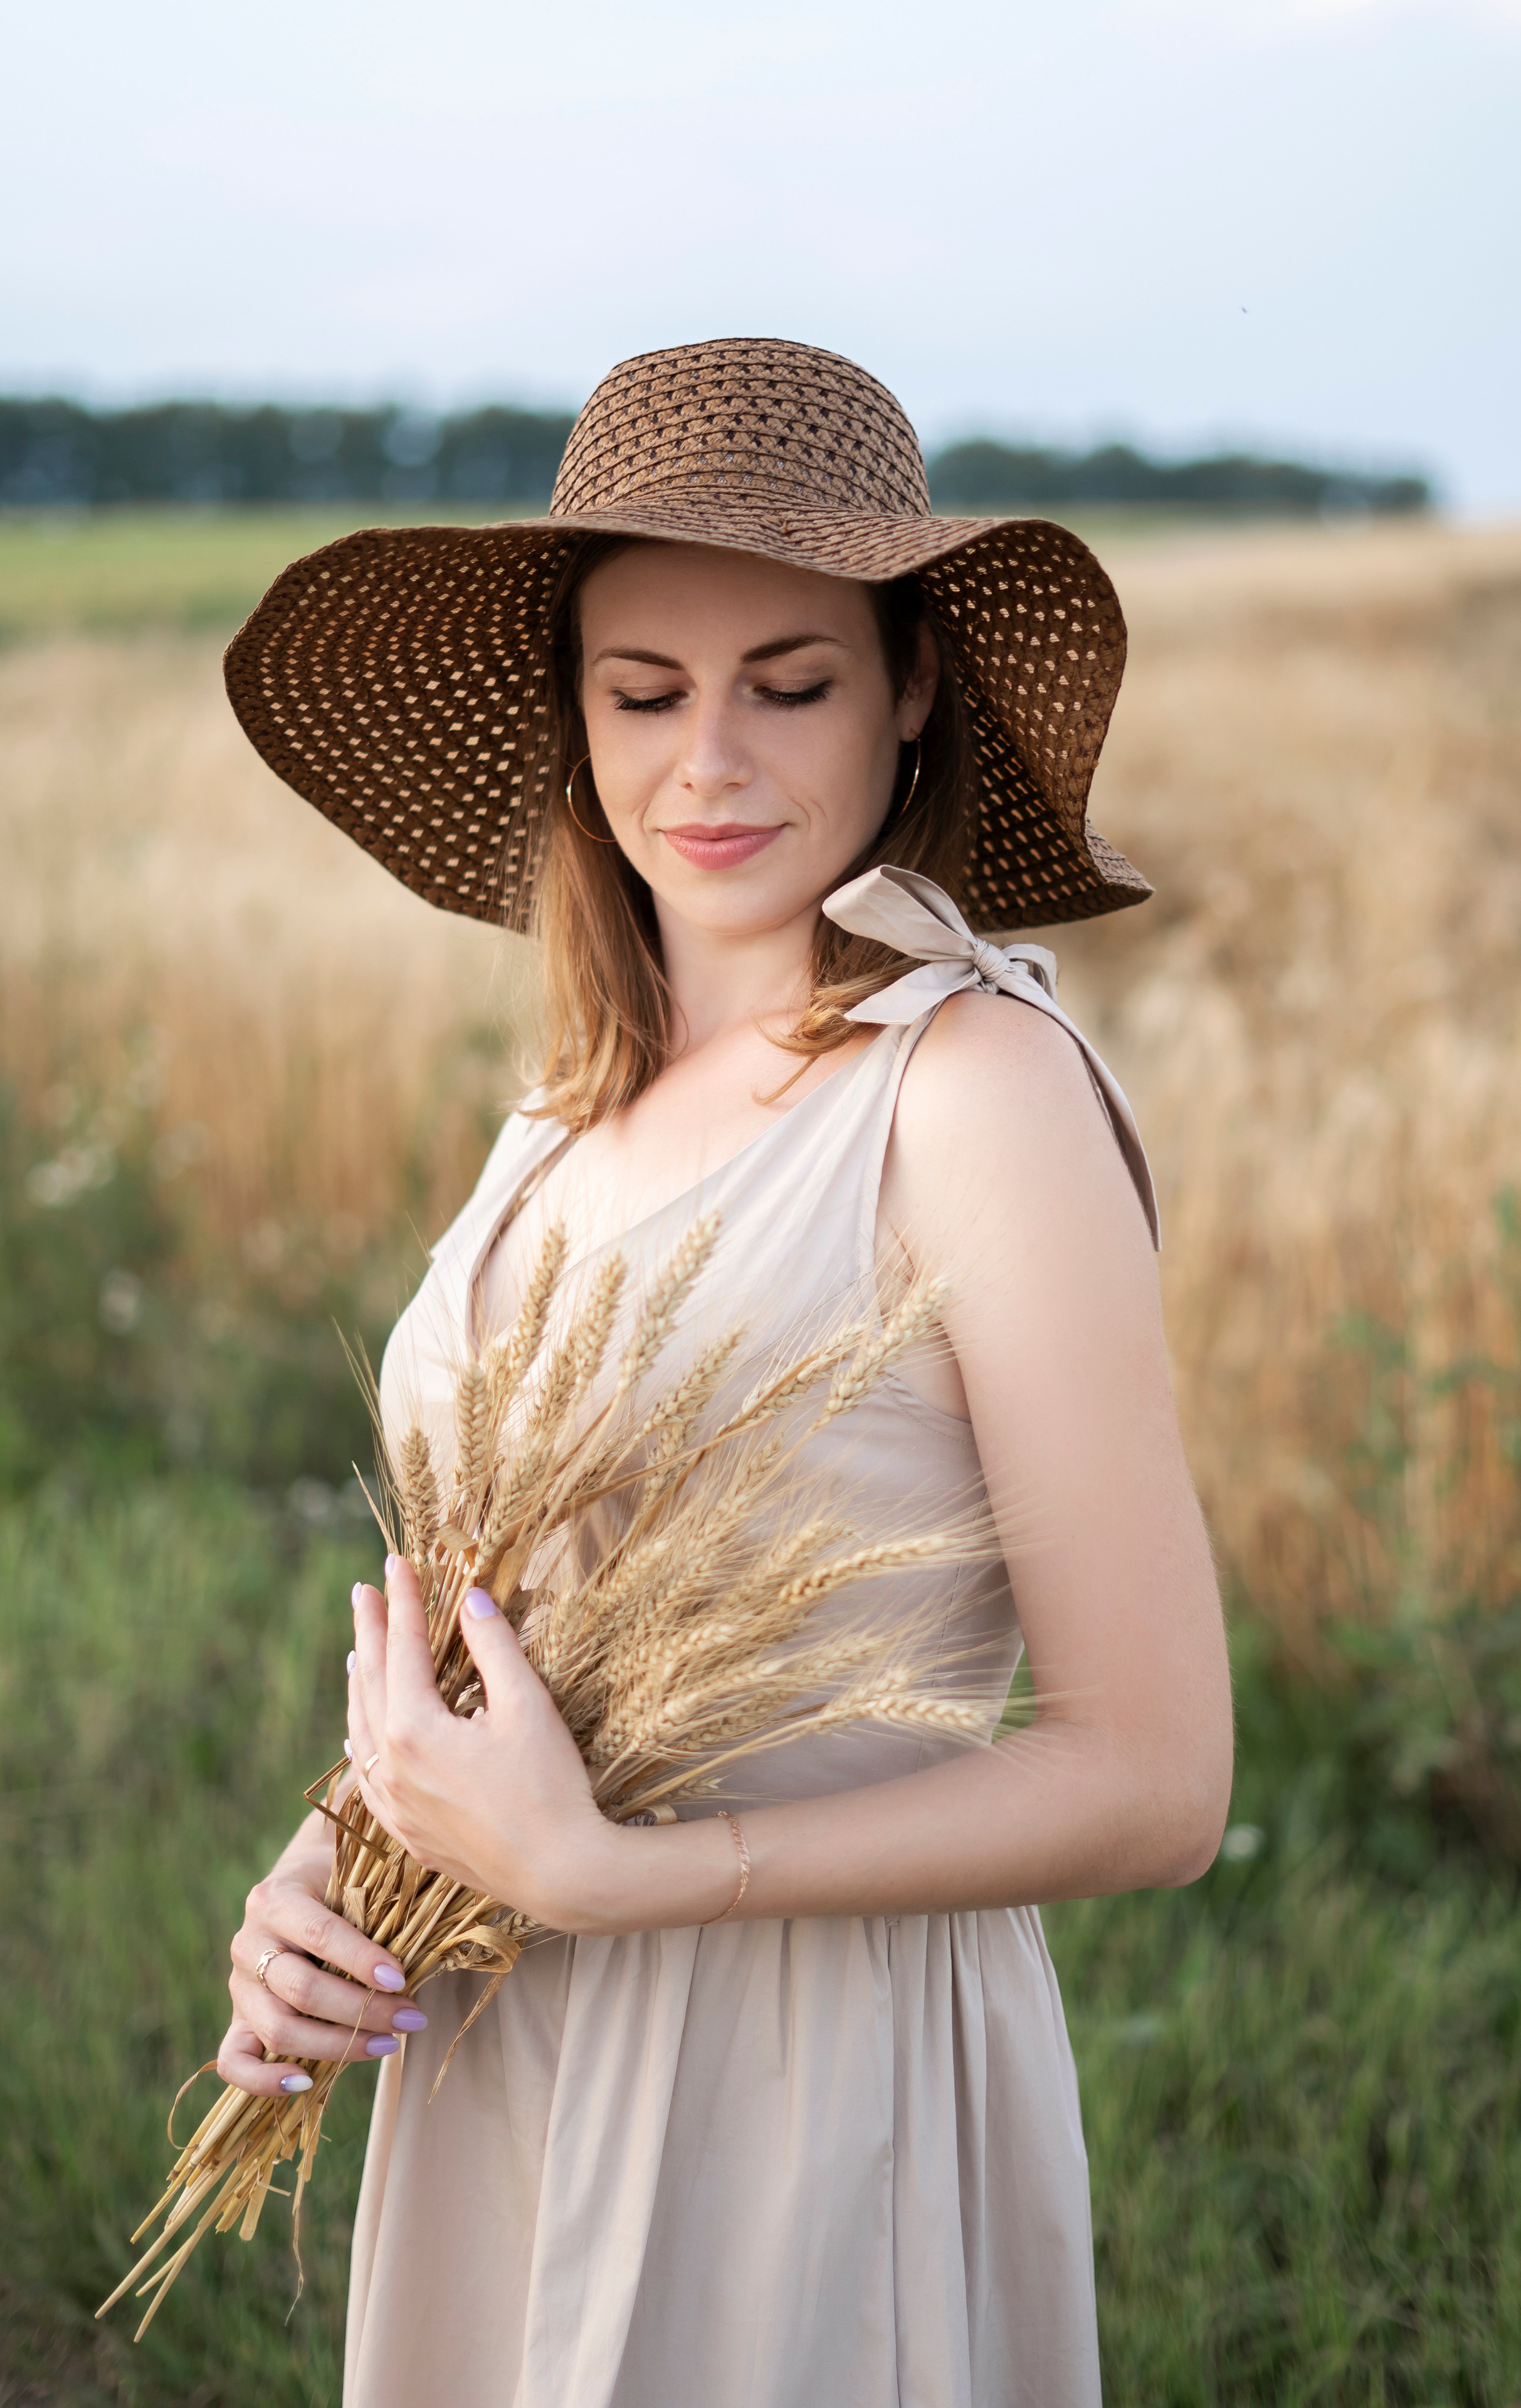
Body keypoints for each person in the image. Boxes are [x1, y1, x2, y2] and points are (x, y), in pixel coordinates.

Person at [215, 337, 1231, 2407]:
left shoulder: (975, 1090)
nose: (711, 767)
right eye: (644, 693)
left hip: (807, 2086)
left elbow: (1158, 1779)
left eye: (791, 682)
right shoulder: (563, 1116)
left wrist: (615, 1875)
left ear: (911, 684)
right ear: (572, 712)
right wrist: (340, 1864)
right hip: (497, 2034)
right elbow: (529, 1633)